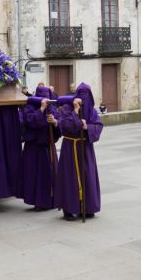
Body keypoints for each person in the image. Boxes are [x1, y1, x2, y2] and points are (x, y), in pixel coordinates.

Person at [55, 83, 103, 221]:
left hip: (85, 148)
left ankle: (88, 207)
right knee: (69, 178)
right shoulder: (66, 108)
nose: (83, 98)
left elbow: (98, 126)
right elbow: (66, 126)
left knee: (87, 176)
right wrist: (75, 112)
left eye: (86, 95)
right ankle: (69, 209)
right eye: (81, 94)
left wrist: (87, 126)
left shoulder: (92, 111)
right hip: (70, 147)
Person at [20, 86, 60, 211]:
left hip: (48, 147)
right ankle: (37, 201)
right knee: (34, 175)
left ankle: (52, 200)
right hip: (33, 147)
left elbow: (60, 124)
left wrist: (54, 122)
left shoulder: (52, 108)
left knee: (49, 174)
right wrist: (41, 110)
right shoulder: (29, 107)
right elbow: (28, 122)